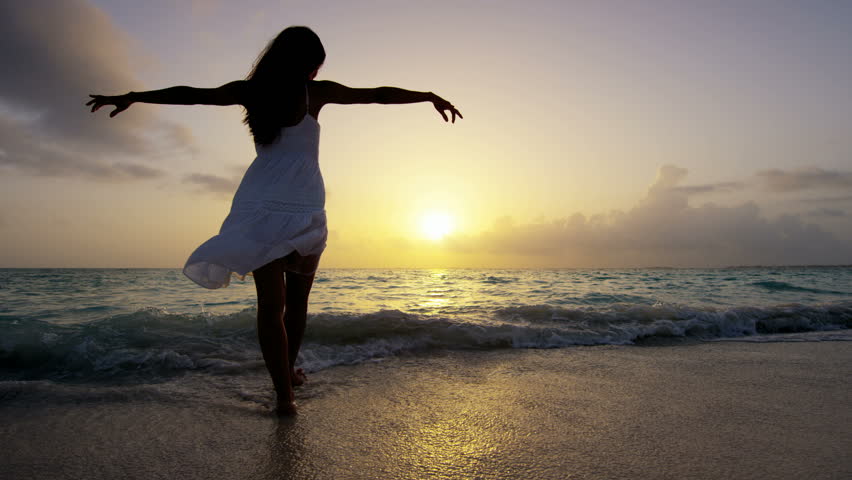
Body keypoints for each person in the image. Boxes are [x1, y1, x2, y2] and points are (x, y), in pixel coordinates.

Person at [87, 26, 462, 415]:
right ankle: (287, 385)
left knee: (272, 306)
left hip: (262, 204)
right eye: (316, 65)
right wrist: (427, 96)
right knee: (295, 303)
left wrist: (132, 97)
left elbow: (193, 95)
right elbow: (376, 96)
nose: (317, 73)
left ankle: (285, 390)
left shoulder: (251, 92)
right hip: (301, 207)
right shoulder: (314, 93)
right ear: (307, 65)